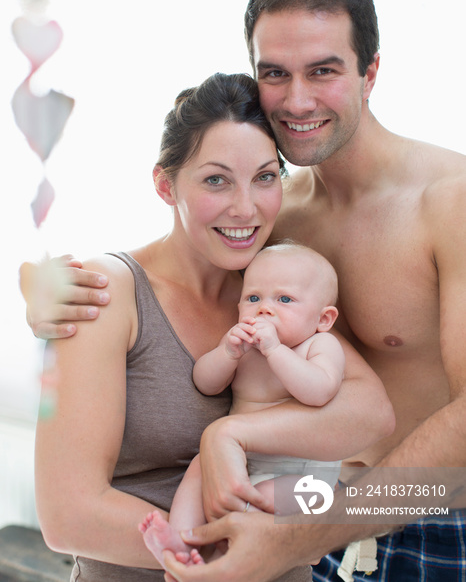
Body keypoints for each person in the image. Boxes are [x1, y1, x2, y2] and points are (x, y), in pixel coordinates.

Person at [26, 0, 466, 581]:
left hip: (423, 511)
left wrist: (233, 448)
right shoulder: (276, 233)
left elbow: (418, 422)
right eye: (275, 74)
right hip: (315, 517)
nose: (298, 99)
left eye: (324, 70)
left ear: (371, 72)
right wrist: (40, 293)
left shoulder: (450, 201)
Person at [31, 70, 393, 582]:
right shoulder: (106, 292)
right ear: (165, 184)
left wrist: (229, 434)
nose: (245, 208)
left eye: (266, 177)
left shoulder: (273, 287)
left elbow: (372, 416)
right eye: (216, 179)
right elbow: (70, 518)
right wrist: (228, 553)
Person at [139, 242, 345, 569]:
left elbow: (319, 391)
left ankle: (233, 539)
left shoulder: (319, 345)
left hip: (299, 470)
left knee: (308, 495)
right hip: (238, 461)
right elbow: (205, 382)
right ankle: (181, 541)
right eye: (253, 298)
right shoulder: (242, 345)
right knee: (199, 469)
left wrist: (276, 351)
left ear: (324, 318)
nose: (264, 309)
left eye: (284, 299)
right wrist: (226, 354)